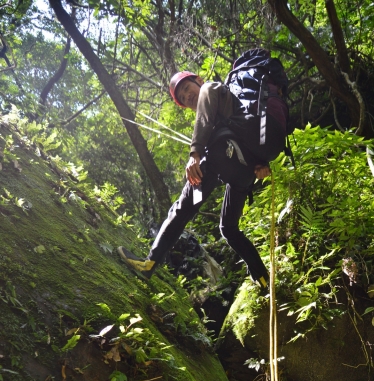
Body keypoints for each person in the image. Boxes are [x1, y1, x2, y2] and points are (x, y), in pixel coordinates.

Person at [118, 69, 288, 289]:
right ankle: (264, 279)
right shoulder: (230, 109)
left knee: (181, 210)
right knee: (228, 228)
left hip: (222, 159)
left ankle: (149, 264)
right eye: (183, 98)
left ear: (198, 80)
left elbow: (208, 124)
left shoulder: (211, 88)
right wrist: (261, 165)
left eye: (187, 88)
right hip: (241, 170)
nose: (187, 96)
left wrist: (195, 154)